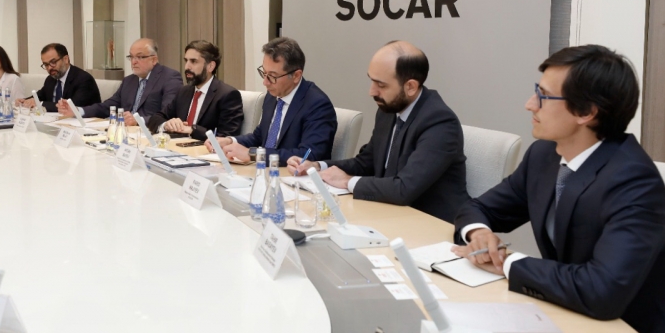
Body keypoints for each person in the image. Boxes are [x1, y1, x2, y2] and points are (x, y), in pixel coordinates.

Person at [452, 45, 665, 333]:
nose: (530, 104)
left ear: (586, 112)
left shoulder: (634, 181)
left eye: (544, 96)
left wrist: (508, 263)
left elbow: (602, 290)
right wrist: (479, 233)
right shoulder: (544, 155)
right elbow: (479, 208)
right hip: (575, 323)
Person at [288, 41, 468, 222]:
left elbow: (404, 188)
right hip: (390, 213)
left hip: (431, 223)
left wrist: (347, 181)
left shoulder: (440, 122)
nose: (372, 91)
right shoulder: (388, 111)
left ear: (411, 87)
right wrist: (318, 166)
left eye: (381, 85)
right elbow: (366, 163)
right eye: (372, 81)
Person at [208, 37, 336, 166]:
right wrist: (230, 141)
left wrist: (253, 154)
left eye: (272, 76)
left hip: (293, 175)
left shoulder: (317, 105)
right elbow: (259, 137)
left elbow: (308, 155)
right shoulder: (272, 96)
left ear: (296, 76)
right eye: (264, 73)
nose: (265, 82)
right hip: (265, 171)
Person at [146, 40, 244, 141]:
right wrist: (166, 124)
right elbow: (155, 118)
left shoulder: (227, 95)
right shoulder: (184, 91)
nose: (187, 67)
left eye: (193, 61)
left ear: (210, 66)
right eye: (186, 61)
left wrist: (192, 130)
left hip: (204, 149)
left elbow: (227, 137)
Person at [80, 38, 182, 126]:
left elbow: (168, 114)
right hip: (125, 130)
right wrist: (79, 111)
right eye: (131, 57)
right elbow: (108, 106)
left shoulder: (170, 78)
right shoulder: (129, 80)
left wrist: (138, 120)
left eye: (140, 57)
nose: (134, 61)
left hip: (150, 133)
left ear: (154, 60)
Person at [19, 43, 100, 113]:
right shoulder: (50, 79)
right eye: (46, 64)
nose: (49, 68)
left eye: (53, 62)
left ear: (65, 59)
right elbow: (40, 96)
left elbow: (71, 107)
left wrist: (39, 104)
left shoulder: (83, 79)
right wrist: (24, 101)